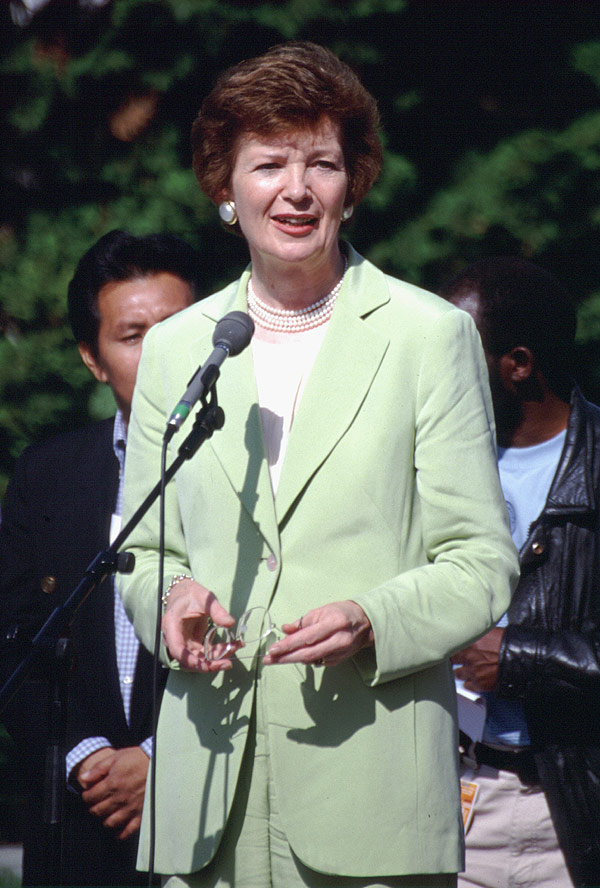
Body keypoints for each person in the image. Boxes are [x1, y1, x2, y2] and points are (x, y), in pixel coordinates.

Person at [118, 42, 518, 888]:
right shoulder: (176, 348)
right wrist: (171, 597)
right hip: (207, 791)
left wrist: (376, 616)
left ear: (352, 182)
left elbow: (482, 562)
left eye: (321, 164)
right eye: (268, 164)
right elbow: (140, 549)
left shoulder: (428, 337)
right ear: (226, 187)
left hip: (369, 782)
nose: (295, 190)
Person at [0, 229, 202, 886]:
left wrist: (163, 759)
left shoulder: (264, 470)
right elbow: (14, 641)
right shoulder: (47, 474)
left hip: (212, 819)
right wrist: (86, 759)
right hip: (79, 828)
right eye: (134, 334)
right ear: (92, 357)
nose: (163, 352)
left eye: (179, 327)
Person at [441, 256, 600, 888]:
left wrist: (520, 657)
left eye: (455, 352)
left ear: (519, 365)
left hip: (571, 809)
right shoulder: (433, 462)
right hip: (452, 799)